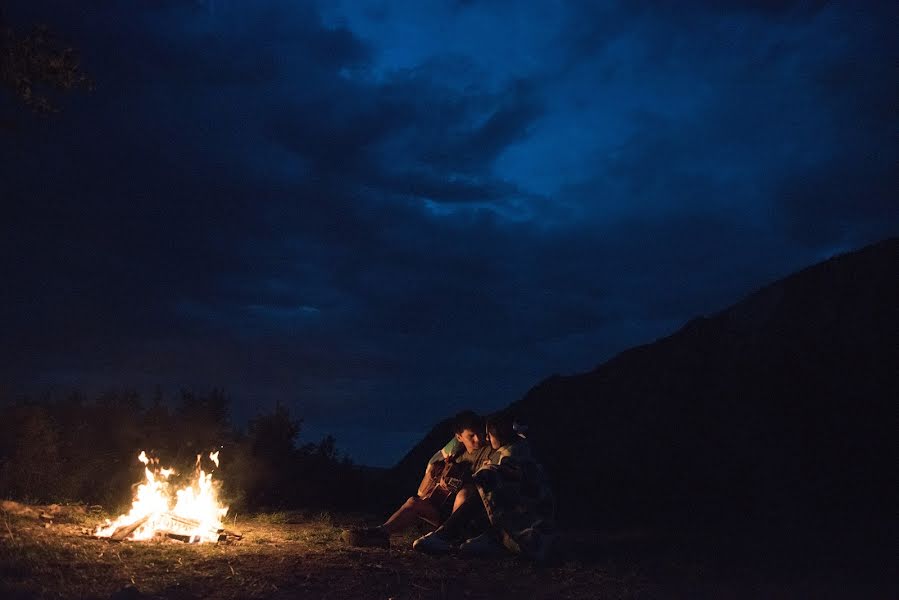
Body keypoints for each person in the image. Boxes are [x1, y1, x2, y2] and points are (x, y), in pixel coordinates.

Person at [343, 411, 492, 548]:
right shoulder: (457, 455)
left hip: (471, 516)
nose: (477, 439)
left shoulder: (489, 451)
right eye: (471, 436)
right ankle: (379, 533)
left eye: (479, 433)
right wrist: (442, 477)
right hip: (446, 512)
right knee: (413, 502)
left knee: (465, 492)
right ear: (459, 437)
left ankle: (451, 538)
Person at [458, 412, 555, 560]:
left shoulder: (510, 453)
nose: (486, 439)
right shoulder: (521, 447)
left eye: (488, 434)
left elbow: (508, 483)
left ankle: (500, 539)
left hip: (528, 519)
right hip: (541, 515)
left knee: (484, 478)